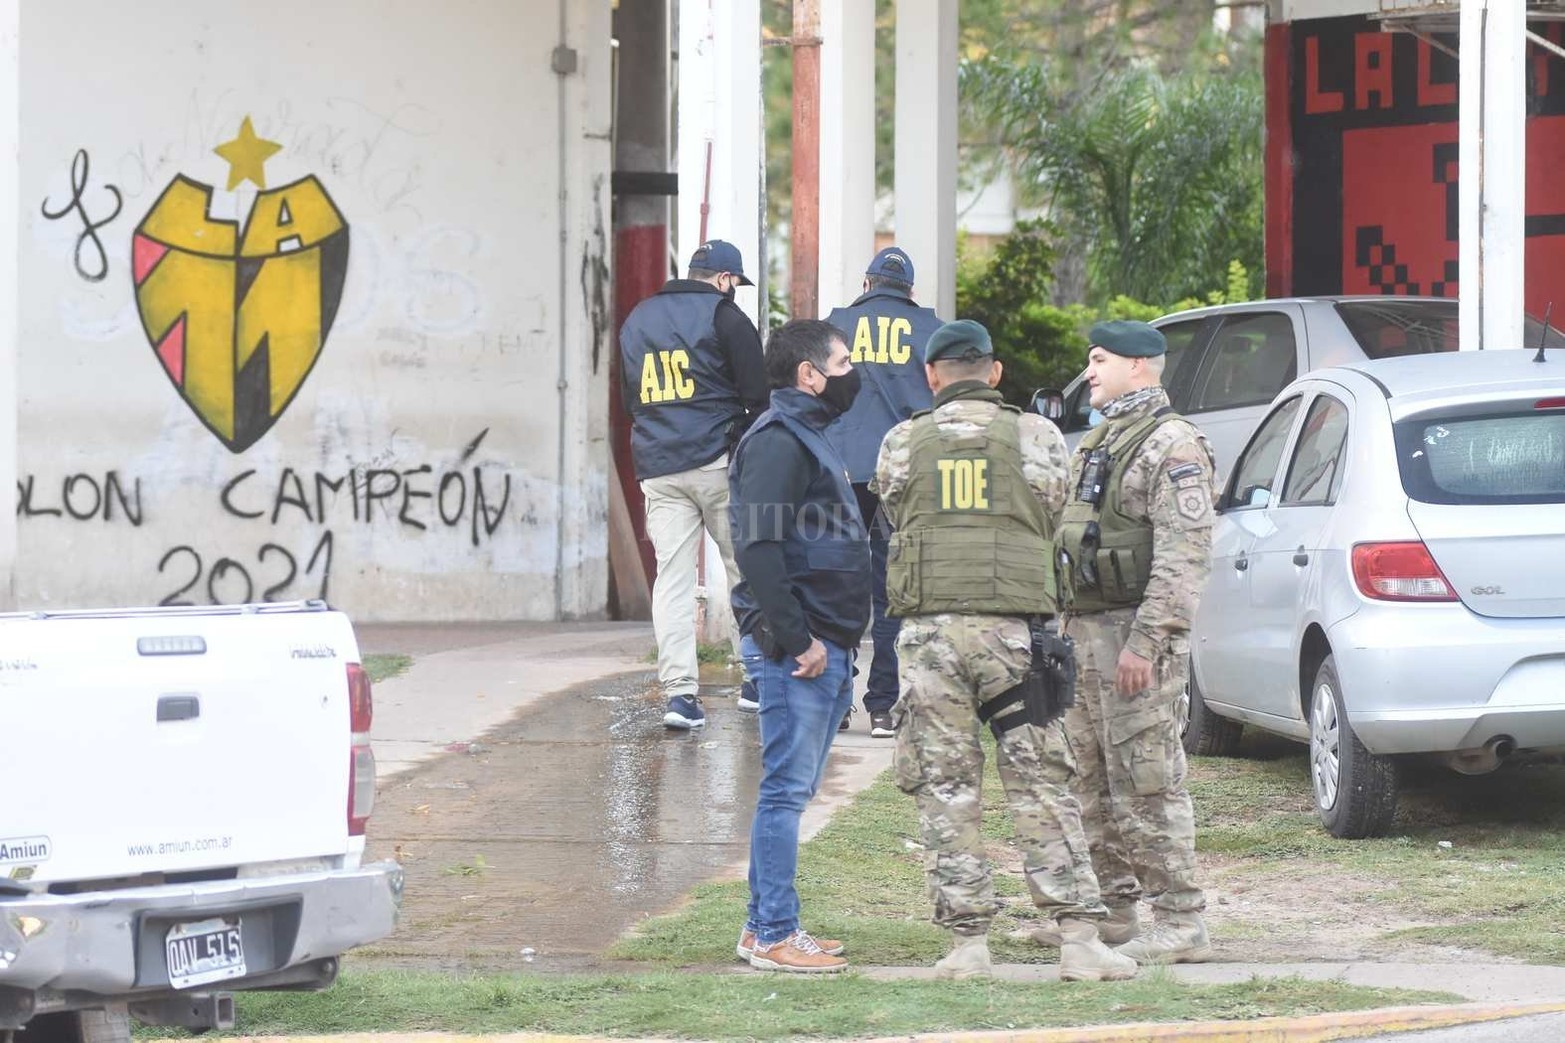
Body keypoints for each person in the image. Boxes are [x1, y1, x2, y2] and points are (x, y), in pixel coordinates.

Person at [872, 319, 1138, 983]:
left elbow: (895, 513)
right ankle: (1078, 938)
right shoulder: (1037, 435)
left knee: (946, 786)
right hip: (1015, 636)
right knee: (1042, 782)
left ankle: (966, 945)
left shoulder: (901, 441)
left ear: (931, 376)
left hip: (931, 639)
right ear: (992, 372)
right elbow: (1053, 513)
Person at [1052, 319, 1220, 965]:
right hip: (1083, 635)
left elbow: (1184, 557)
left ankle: (1180, 921)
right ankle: (1112, 912)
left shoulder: (1172, 444)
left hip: (1131, 638)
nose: (1088, 371)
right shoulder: (1100, 439)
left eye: (1098, 360)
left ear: (1140, 365)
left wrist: (1145, 643)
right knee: (1086, 781)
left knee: (1146, 780)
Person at [728, 319, 871, 972]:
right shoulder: (779, 441)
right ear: (808, 375)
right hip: (799, 649)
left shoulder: (808, 435)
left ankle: (766, 925)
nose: (852, 373)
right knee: (784, 792)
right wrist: (798, 638)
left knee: (792, 790)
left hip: (825, 641)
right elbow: (757, 548)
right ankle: (773, 932)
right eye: (842, 363)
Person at [618, 239, 768, 729]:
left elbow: (630, 398)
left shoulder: (639, 318)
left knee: (673, 581)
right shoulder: (726, 318)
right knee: (745, 569)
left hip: (659, 466)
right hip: (717, 462)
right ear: (724, 279)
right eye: (734, 285)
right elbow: (758, 398)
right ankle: (755, 678)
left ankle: (680, 695)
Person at [824, 247, 943, 738]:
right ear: (910, 291)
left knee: (837, 582)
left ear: (867, 283)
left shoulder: (836, 325)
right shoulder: (932, 330)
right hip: (904, 467)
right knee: (893, 589)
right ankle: (882, 706)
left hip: (843, 465)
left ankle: (836, 700)